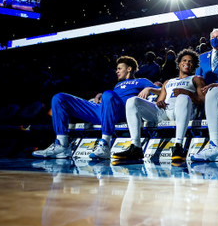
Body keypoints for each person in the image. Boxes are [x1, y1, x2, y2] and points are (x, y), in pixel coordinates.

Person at [32, 56, 161, 159]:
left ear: (129, 69)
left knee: (108, 94)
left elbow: (161, 90)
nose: (116, 71)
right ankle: (62, 145)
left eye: (119, 68)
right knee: (59, 98)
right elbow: (109, 97)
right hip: (104, 111)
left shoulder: (141, 81)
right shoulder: (117, 85)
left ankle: (105, 145)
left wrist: (149, 88)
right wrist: (101, 96)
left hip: (122, 111)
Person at [116, 49, 206, 162]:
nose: (187, 63)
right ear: (179, 64)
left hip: (181, 112)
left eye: (191, 61)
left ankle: (178, 145)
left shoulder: (196, 79)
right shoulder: (168, 82)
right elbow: (160, 100)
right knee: (132, 100)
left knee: (183, 97)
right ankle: (136, 147)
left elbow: (204, 100)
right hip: (164, 111)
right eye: (184, 60)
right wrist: (159, 102)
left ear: (194, 66)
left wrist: (188, 93)